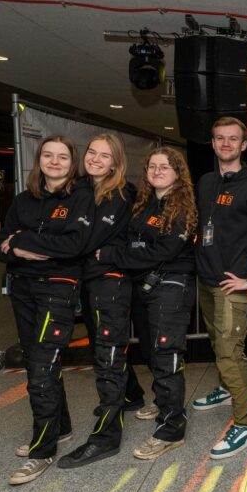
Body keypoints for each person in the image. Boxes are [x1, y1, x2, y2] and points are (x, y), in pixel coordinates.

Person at [0, 135, 94, 485]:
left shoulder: (81, 197)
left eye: (62, 157)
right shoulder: (23, 200)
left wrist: (20, 241)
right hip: (22, 289)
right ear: (39, 160)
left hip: (57, 289)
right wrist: (13, 248)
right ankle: (60, 428)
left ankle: (42, 450)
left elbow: (74, 245)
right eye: (48, 155)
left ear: (72, 163)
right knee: (37, 358)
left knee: (41, 366)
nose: (54, 162)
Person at [97, 147, 197, 460]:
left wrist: (113, 255)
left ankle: (171, 429)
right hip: (144, 285)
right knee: (153, 351)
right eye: (152, 166)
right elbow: (134, 243)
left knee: (167, 354)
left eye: (164, 166)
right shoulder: (144, 203)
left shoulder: (183, 206)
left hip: (171, 286)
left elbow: (162, 252)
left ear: (178, 172)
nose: (156, 171)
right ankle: (163, 402)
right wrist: (128, 255)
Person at [191, 117, 247, 460]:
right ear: (213, 143)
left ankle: (246, 424)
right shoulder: (206, 181)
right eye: (219, 138)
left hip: (232, 285)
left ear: (243, 145)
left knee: (230, 353)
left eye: (232, 139)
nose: (225, 144)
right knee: (218, 344)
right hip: (206, 279)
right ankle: (227, 389)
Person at [59, 133, 142, 468]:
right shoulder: (79, 188)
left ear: (115, 163)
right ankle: (132, 395)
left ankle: (106, 438)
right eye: (91, 152)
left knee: (108, 357)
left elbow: (83, 239)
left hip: (111, 283)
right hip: (89, 282)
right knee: (102, 349)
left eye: (104, 155)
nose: (95, 159)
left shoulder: (120, 194)